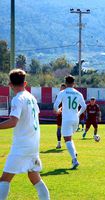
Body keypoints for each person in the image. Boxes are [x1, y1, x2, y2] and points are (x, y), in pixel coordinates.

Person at [0, 69, 50, 200]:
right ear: (25, 83)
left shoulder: (18, 99)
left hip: (21, 146)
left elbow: (13, 121)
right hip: (33, 145)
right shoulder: (31, 97)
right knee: (35, 177)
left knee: (4, 179)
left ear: (10, 84)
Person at [53, 75, 86, 169]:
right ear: (74, 83)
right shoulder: (78, 93)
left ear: (66, 83)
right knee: (69, 138)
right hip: (76, 119)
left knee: (67, 139)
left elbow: (55, 105)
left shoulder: (62, 92)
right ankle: (74, 153)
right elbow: (84, 107)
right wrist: (78, 114)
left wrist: (57, 111)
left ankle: (75, 160)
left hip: (67, 119)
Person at [55, 83, 66, 149]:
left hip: (67, 114)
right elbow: (56, 104)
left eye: (63, 88)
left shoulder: (65, 95)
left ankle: (68, 141)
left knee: (67, 129)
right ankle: (59, 143)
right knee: (59, 128)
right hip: (60, 114)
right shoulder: (58, 95)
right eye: (61, 88)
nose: (61, 89)